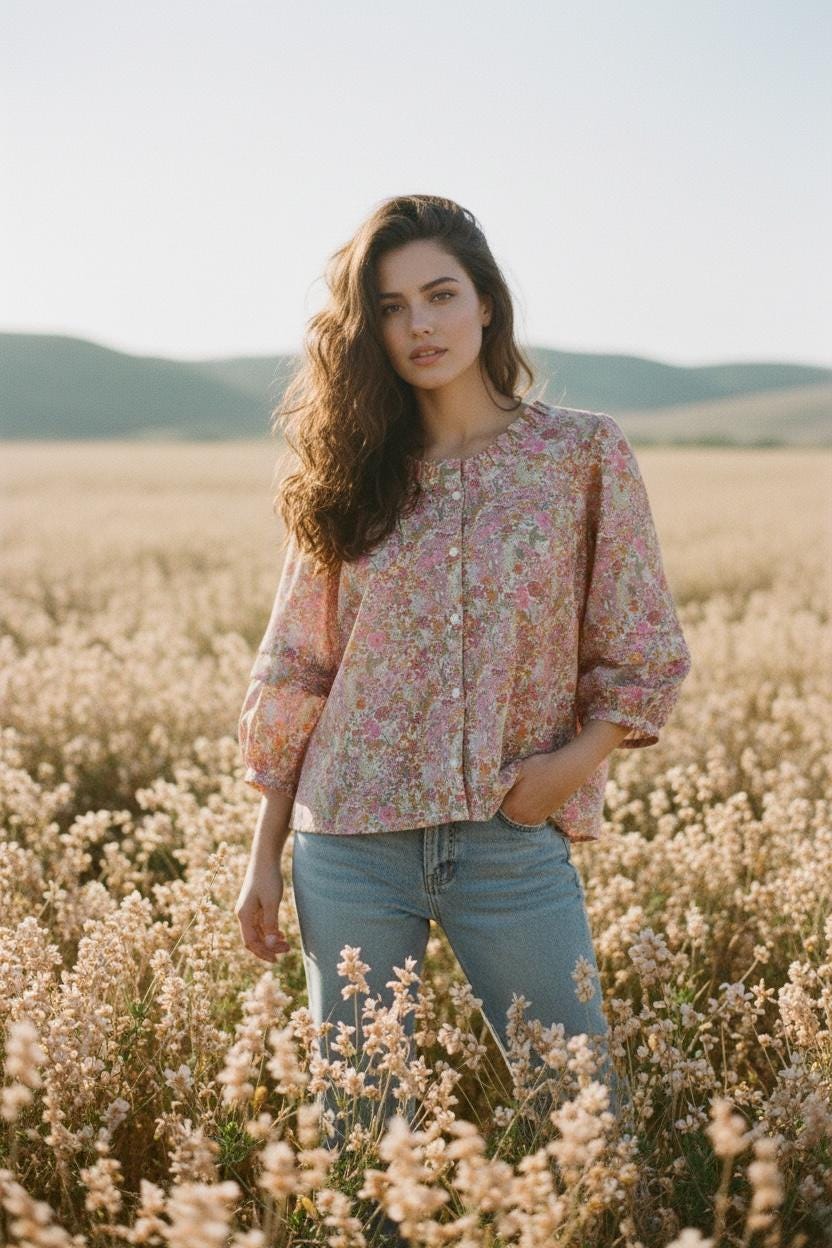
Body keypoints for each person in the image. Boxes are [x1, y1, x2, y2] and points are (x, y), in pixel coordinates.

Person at [233, 193, 692, 1155]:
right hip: (348, 843)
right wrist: (262, 854)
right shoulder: (351, 472)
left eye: (440, 294)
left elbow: (640, 640)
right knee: (367, 1140)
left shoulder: (580, 454)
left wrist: (574, 765)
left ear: (486, 302)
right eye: (391, 308)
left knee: (586, 1124)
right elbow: (297, 670)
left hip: (507, 840)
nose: (420, 325)